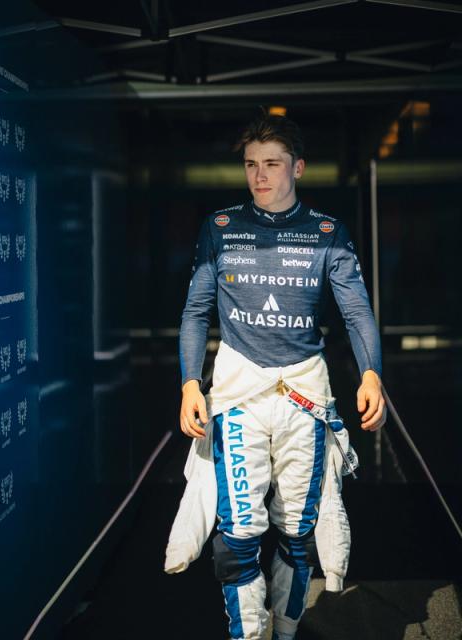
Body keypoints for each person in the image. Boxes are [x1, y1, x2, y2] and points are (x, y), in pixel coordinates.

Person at [177, 114, 386, 640]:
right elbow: (196, 311)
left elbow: (357, 312)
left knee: (298, 532)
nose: (260, 175)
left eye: (272, 163)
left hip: (303, 399)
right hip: (239, 397)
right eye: (251, 164)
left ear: (298, 167)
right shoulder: (220, 227)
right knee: (237, 534)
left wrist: (371, 375)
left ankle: (286, 631)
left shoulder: (327, 232)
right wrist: (189, 384)